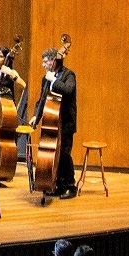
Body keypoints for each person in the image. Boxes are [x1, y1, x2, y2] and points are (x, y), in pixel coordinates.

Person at [29, 44, 78, 198]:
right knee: (54, 153)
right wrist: (36, 116)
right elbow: (42, 99)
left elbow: (68, 91)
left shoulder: (69, 75)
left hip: (66, 122)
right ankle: (57, 184)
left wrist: (54, 81)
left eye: (45, 62)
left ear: (53, 61)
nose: (43, 65)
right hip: (52, 120)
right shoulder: (46, 78)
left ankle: (70, 185)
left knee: (64, 154)